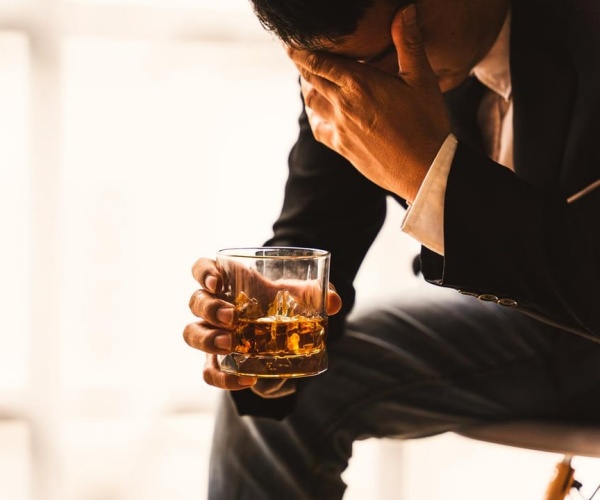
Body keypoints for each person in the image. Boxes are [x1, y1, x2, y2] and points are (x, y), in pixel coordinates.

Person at [183, 0, 600, 497]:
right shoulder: (353, 55)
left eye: (377, 58)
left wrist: (432, 175)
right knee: (266, 386)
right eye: (330, 70)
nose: (356, 90)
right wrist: (269, 343)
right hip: (529, 330)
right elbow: (319, 229)